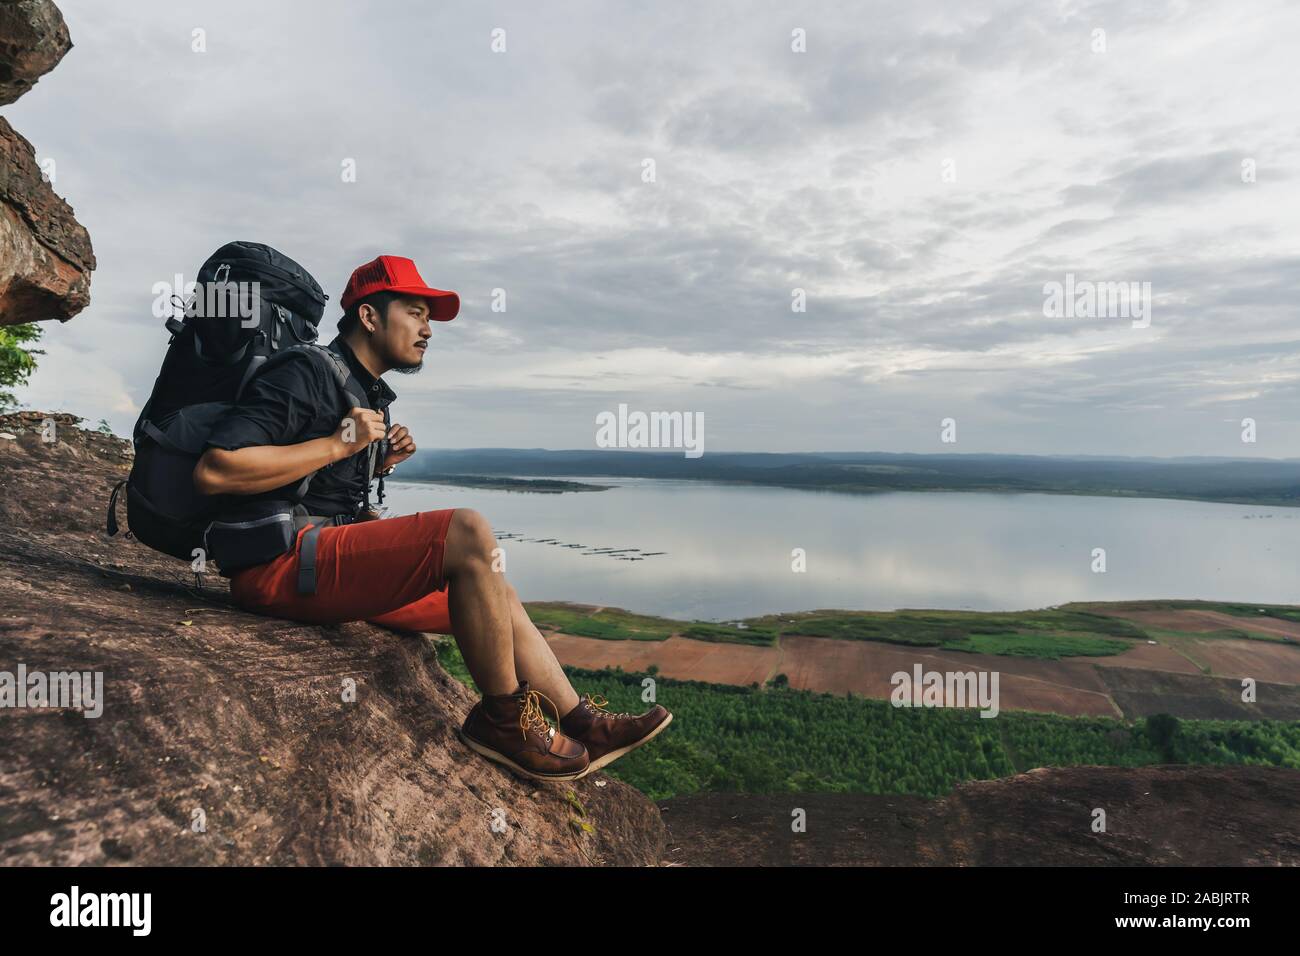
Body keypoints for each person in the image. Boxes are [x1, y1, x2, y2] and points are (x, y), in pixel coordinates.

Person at [192, 254, 672, 781]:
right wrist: (337, 445)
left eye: (429, 319)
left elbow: (321, 489)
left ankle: (583, 724)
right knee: (466, 531)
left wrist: (376, 459)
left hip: (321, 561)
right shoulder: (304, 371)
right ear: (370, 317)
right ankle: (502, 720)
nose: (427, 330)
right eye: (416, 313)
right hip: (276, 568)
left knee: (495, 590)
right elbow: (216, 471)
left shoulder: (365, 388)